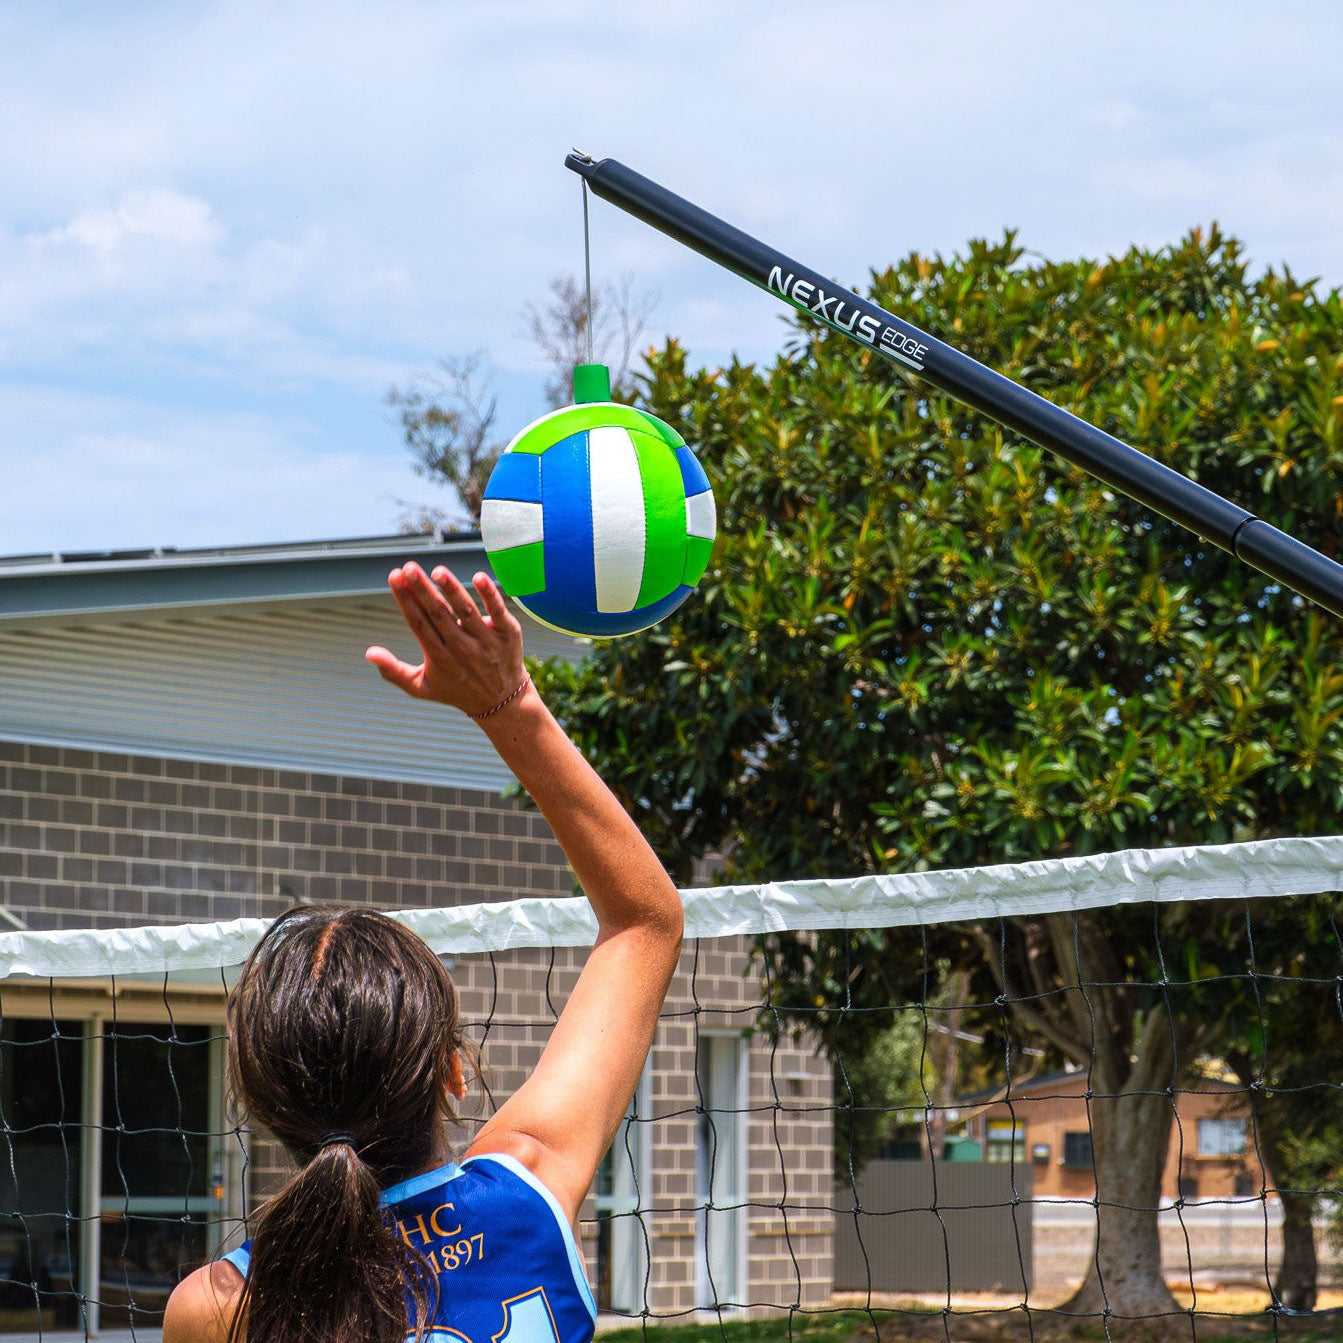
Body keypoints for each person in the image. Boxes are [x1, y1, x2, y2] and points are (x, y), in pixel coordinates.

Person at [163, 561, 684, 1343]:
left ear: (259, 1097)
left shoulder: (219, 1304)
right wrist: (508, 704)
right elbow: (645, 920)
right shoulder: (528, 1192)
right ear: (452, 1068)